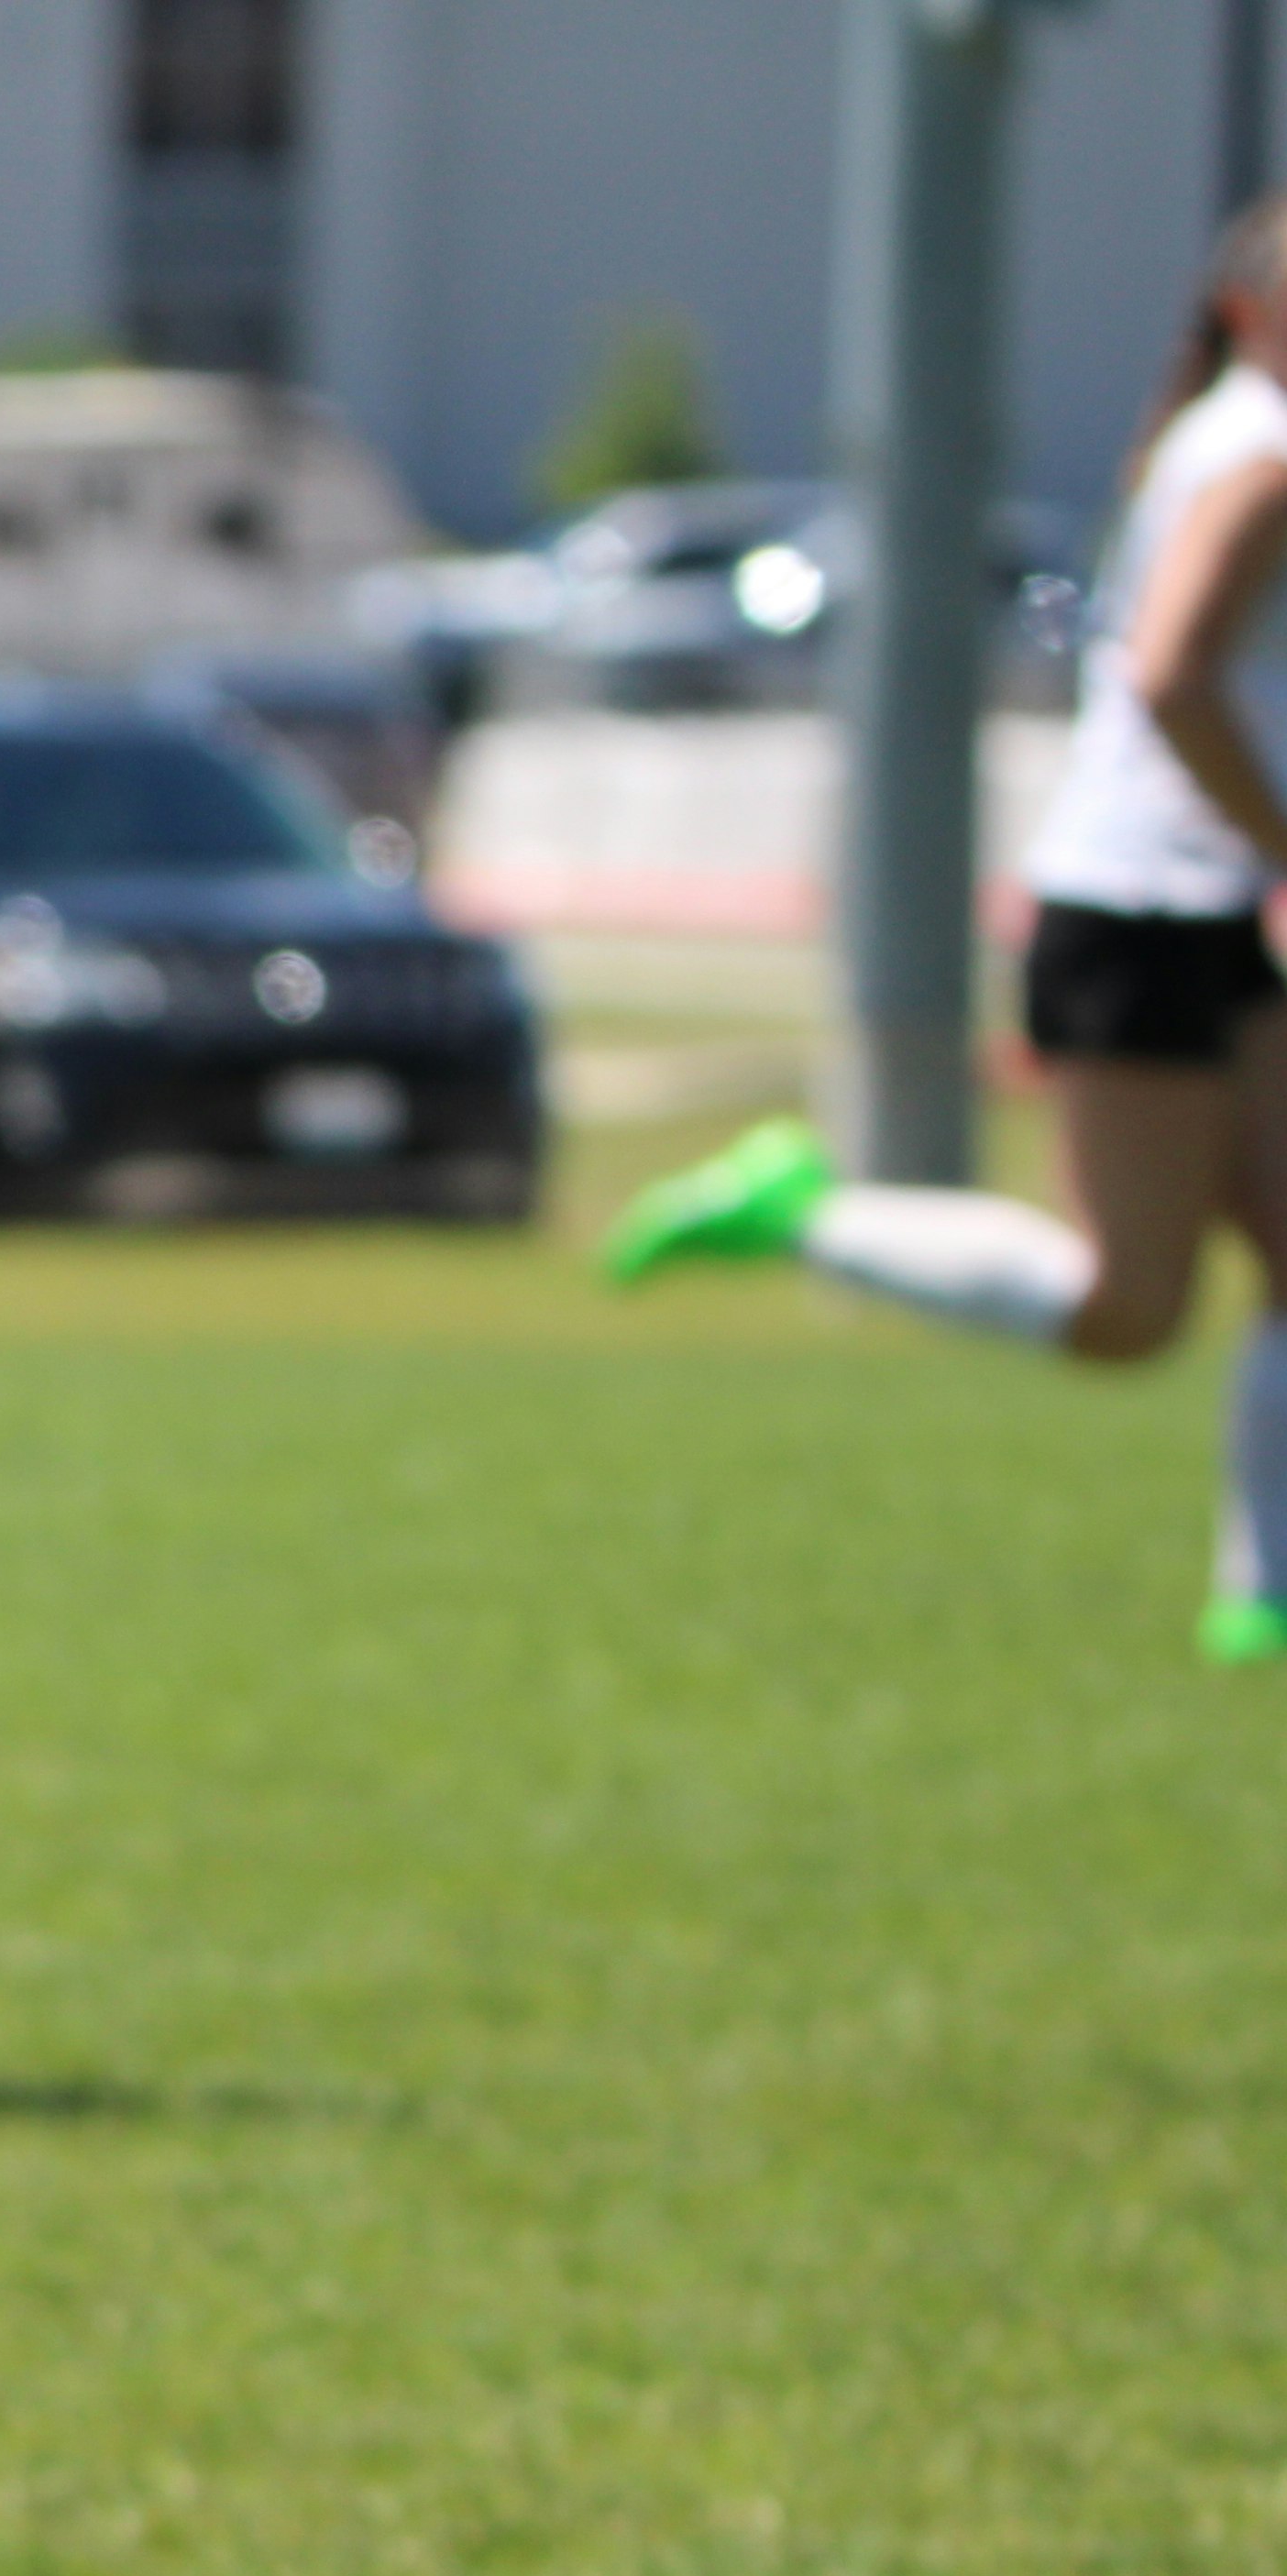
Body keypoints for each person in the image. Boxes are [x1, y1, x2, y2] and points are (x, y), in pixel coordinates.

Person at [610, 196, 1287, 1669]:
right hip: (1145, 907)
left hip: (1217, 901)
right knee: (1129, 1311)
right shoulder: (1261, 453)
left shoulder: (1230, 436)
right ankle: (806, 1214)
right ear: (1249, 312)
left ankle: (1266, 1593)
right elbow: (1177, 679)